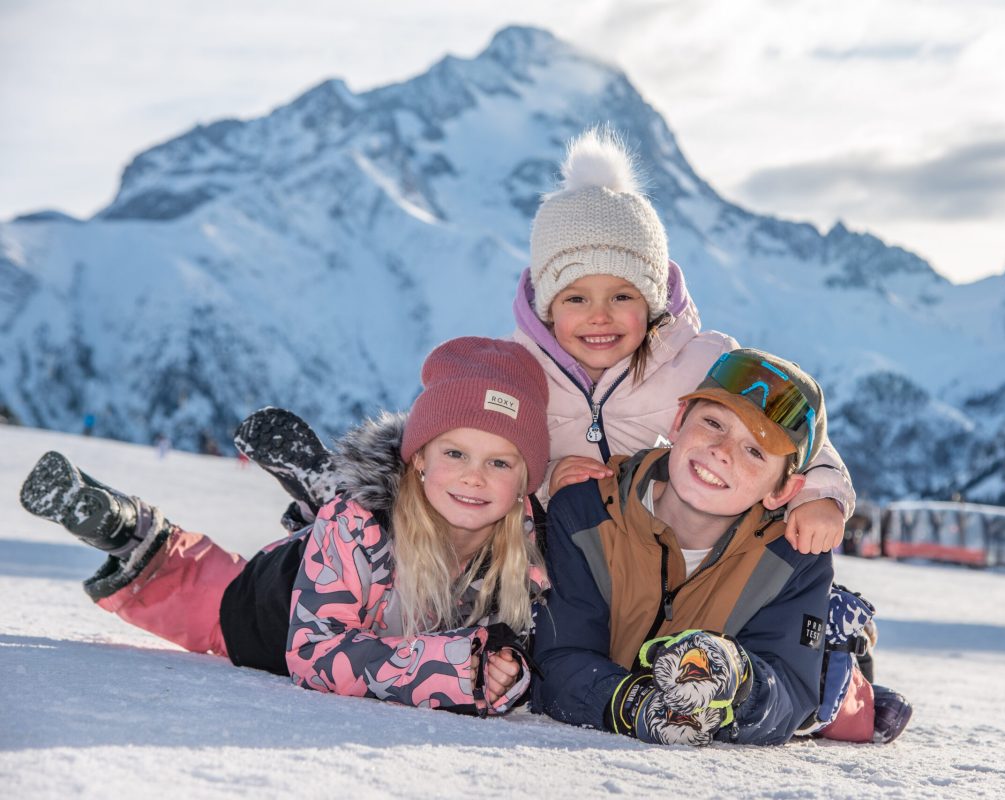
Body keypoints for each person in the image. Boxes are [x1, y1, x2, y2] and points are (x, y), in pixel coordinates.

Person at [18, 337, 551, 716]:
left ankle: (322, 498)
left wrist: (505, 669)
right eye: (455, 452)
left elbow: (530, 643)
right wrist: (457, 669)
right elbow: (315, 655)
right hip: (276, 604)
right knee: (204, 596)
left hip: (357, 563)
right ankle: (130, 532)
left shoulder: (527, 546)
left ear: (525, 481)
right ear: (417, 459)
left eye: (500, 463)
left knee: (352, 530)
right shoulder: (356, 527)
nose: (475, 478)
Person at [531, 347, 912, 746]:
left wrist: (737, 684)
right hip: (626, 681)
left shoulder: (790, 559)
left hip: (784, 638)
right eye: (713, 423)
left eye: (754, 451)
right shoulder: (586, 513)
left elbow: (789, 691)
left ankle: (844, 663)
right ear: (678, 421)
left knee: (823, 693)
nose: (722, 451)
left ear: (783, 490)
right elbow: (557, 660)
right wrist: (633, 705)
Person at [512, 128, 853, 555]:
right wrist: (547, 480)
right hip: (568, 570)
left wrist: (819, 495)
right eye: (576, 298)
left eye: (622, 296)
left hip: (683, 565)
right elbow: (488, 462)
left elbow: (797, 430)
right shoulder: (518, 375)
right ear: (547, 307)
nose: (600, 316)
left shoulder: (705, 363)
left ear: (652, 302)